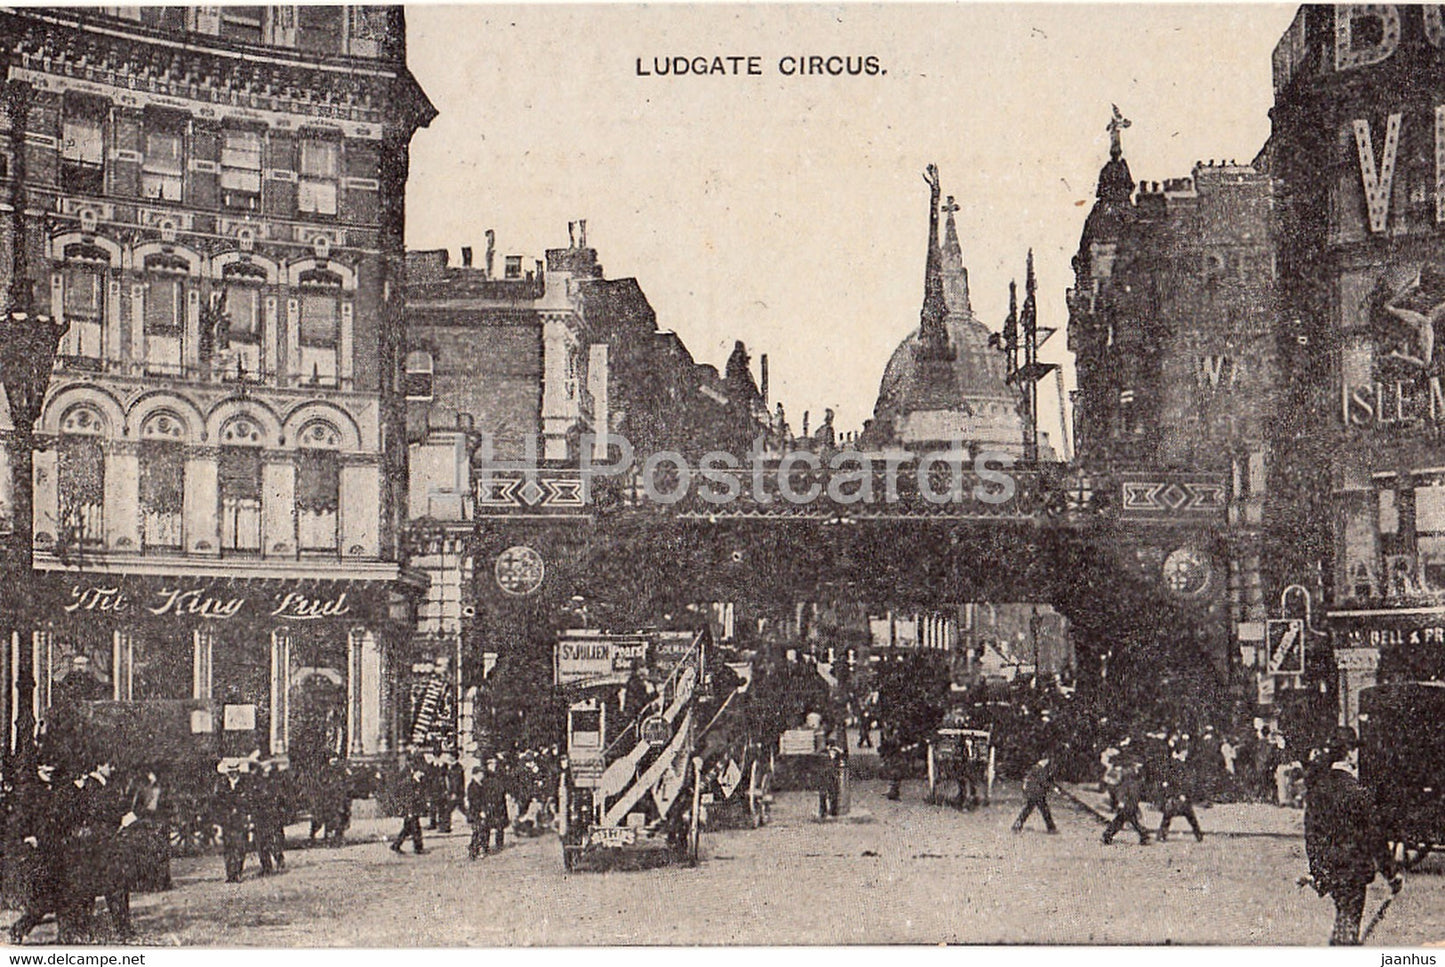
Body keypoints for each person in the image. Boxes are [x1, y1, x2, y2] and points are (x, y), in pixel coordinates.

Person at [1303, 727, 1401, 945]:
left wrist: (1317, 869)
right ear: (1349, 753)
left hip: (1330, 868)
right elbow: (1375, 837)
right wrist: (1391, 874)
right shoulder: (1357, 793)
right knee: (1349, 924)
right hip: (1353, 870)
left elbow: (1311, 834)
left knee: (1343, 918)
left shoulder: (1318, 790)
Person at [213, 762, 250, 882]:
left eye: (234, 771)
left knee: (240, 847)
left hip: (240, 820)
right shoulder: (222, 785)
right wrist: (218, 821)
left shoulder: (244, 784)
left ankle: (238, 871)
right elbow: (217, 804)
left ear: (238, 771)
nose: (232, 774)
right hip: (227, 821)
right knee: (228, 848)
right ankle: (230, 874)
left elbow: (249, 802)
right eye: (230, 772)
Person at [1101, 760, 1150, 845]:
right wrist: (1121, 801)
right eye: (1137, 763)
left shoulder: (1139, 774)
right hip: (1127, 800)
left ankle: (1108, 834)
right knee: (1126, 818)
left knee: (1125, 818)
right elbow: (1122, 789)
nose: (1139, 765)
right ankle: (1143, 834)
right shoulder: (1127, 773)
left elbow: (1139, 789)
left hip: (1133, 799)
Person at [1157, 755, 1204, 842]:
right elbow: (1179, 781)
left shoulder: (1177, 765)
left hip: (1177, 796)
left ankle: (1162, 835)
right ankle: (1198, 834)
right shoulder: (1179, 765)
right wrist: (1181, 793)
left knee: (1170, 816)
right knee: (1188, 816)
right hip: (1178, 796)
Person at [1013, 755, 1059, 834]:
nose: (1047, 763)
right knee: (1044, 811)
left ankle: (1017, 825)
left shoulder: (1035, 768)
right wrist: (1053, 788)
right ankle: (1051, 828)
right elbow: (1043, 781)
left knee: (1028, 810)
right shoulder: (1039, 769)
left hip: (1034, 793)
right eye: (1046, 761)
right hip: (1038, 793)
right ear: (1042, 761)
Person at [390, 765, 428, 855]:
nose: (422, 774)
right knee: (416, 829)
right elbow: (408, 799)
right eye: (420, 772)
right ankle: (418, 848)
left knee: (407, 829)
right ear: (415, 772)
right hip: (410, 810)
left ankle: (396, 845)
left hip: (413, 809)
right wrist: (409, 811)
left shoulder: (417, 781)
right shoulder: (409, 783)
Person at [465, 765, 488, 861]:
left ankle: (475, 850)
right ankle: (473, 851)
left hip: (476, 812)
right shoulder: (473, 786)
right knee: (477, 831)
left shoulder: (477, 784)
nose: (482, 775)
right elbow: (475, 801)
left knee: (479, 831)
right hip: (476, 812)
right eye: (481, 773)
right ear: (477, 774)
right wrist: (481, 811)